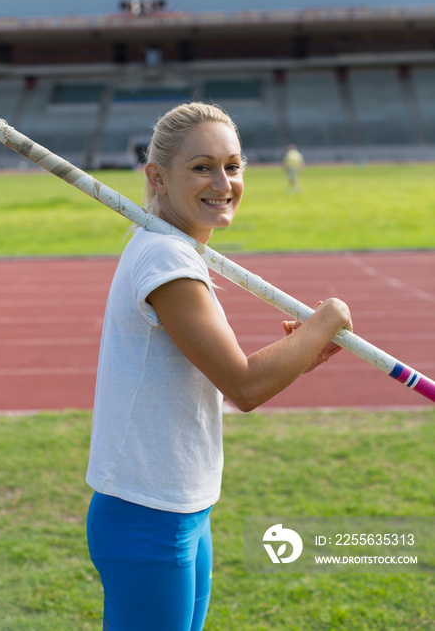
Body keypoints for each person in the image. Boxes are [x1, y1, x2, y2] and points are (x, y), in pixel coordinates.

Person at [86, 102, 352, 631]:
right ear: (157, 178)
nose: (223, 181)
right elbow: (244, 385)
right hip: (146, 514)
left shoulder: (177, 249)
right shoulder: (166, 259)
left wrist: (297, 357)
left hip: (184, 505)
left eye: (233, 165)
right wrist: (330, 318)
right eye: (202, 166)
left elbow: (231, 376)